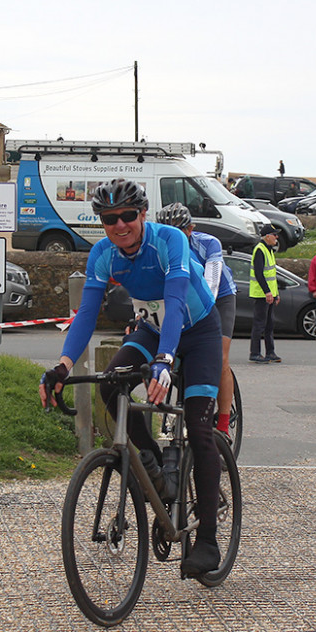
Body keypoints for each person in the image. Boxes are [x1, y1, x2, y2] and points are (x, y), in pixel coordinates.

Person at [38, 179, 224, 576]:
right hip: (154, 329)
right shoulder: (103, 254)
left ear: (142, 214)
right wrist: (63, 366)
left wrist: (165, 359)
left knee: (199, 428)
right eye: (109, 219)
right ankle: (152, 460)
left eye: (127, 216)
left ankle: (207, 538)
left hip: (198, 330)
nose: (119, 225)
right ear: (102, 222)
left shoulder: (170, 239)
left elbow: (175, 300)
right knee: (110, 383)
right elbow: (87, 314)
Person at [156, 202, 239, 435]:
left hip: (217, 298)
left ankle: (223, 426)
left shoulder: (209, 243)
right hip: (183, 298)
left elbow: (211, 284)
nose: (171, 237)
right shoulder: (158, 247)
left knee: (220, 358)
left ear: (190, 230)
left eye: (178, 231)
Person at [249, 224, 281, 363]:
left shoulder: (269, 250)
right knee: (259, 324)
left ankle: (270, 352)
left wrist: (276, 293)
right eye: (274, 235)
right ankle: (255, 353)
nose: (277, 237)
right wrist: (267, 292)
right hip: (262, 294)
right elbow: (259, 274)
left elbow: (272, 275)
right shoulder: (260, 250)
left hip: (270, 294)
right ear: (267, 236)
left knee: (269, 325)